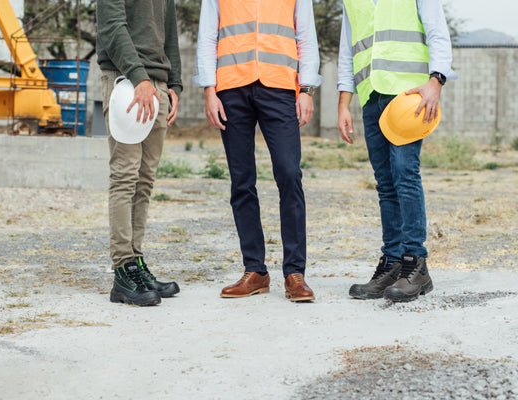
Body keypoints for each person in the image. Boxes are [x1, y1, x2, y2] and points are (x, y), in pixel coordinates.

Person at [193, 0, 322, 301]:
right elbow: (207, 37)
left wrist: (306, 89)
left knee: (289, 174)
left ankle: (294, 273)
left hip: (279, 88)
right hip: (231, 88)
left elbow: (305, 36)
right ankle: (255, 271)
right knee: (242, 180)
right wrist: (209, 91)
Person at [337, 0, 456, 302]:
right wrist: (343, 103)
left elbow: (437, 32)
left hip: (407, 95)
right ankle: (392, 264)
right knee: (386, 184)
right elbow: (347, 51)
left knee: (404, 174)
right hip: (370, 95)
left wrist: (436, 80)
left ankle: (416, 264)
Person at [97, 0, 183, 306]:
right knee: (126, 175)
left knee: (145, 179)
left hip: (157, 84)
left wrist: (174, 83)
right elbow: (111, 26)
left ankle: (136, 262)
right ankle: (123, 269)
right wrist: (139, 76)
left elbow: (169, 32)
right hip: (126, 80)